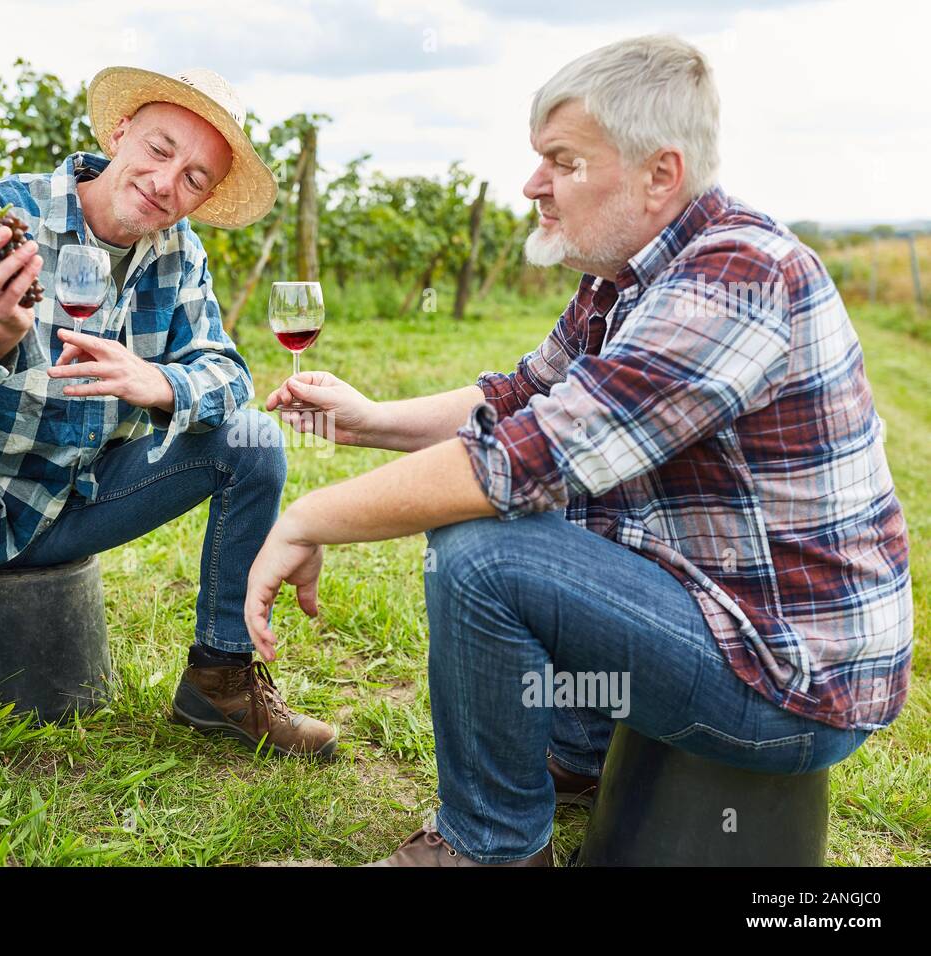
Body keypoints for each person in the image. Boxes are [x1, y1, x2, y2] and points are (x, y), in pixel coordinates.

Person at [248, 34, 912, 866]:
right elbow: (521, 395)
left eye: (561, 161)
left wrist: (308, 517)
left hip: (791, 686)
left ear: (659, 174)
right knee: (545, 527)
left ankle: (489, 847)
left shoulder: (737, 277)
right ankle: (577, 751)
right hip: (726, 614)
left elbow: (522, 461)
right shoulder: (626, 277)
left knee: (484, 552)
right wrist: (371, 417)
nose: (533, 185)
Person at [0, 67, 336, 824]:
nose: (163, 183)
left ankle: (219, 681)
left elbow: (227, 373)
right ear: (119, 134)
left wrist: (158, 383)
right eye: (157, 149)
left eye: (193, 178)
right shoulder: (6, 212)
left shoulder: (178, 253)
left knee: (252, 438)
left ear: (203, 198)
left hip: (84, 502)